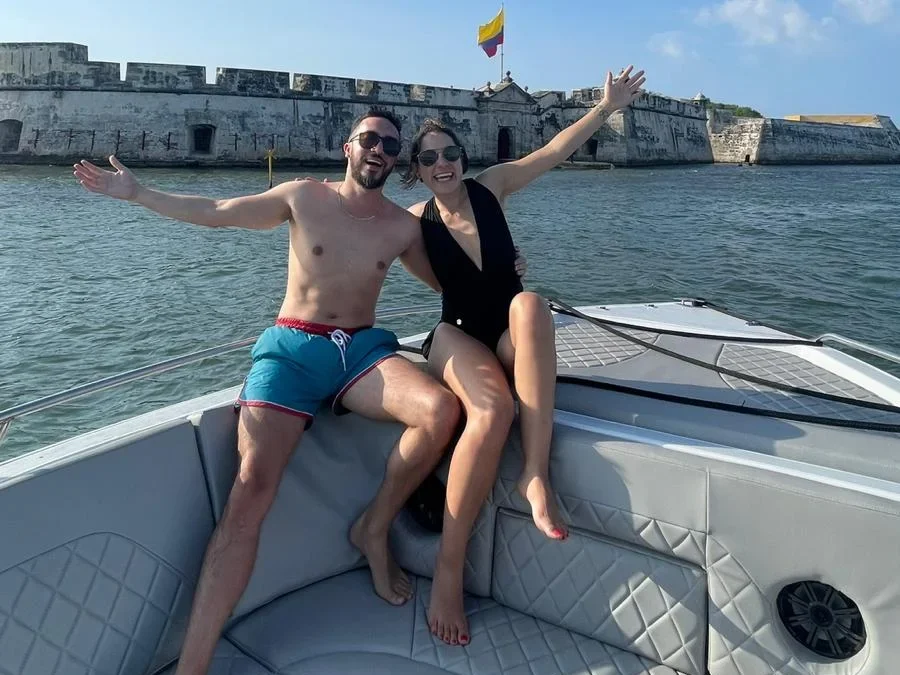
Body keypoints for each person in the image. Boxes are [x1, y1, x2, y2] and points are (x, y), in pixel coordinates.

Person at [72, 108, 461, 675]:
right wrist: (139, 193)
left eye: (391, 145)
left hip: (361, 353)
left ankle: (374, 528)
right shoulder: (304, 197)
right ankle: (193, 666)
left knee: (440, 410)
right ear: (346, 148)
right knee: (250, 490)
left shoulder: (403, 227)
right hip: (293, 350)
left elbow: (453, 283)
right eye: (369, 139)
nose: (379, 150)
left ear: (397, 160)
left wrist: (508, 271)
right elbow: (218, 212)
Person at [399, 66, 646, 646]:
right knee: (491, 411)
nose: (443, 163)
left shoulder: (494, 187)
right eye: (430, 157)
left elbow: (556, 149)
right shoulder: (412, 223)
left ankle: (535, 476)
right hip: (456, 332)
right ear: (417, 171)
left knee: (531, 302)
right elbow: (419, 274)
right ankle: (449, 571)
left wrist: (606, 108)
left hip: (508, 326)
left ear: (463, 155)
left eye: (450, 152)